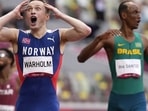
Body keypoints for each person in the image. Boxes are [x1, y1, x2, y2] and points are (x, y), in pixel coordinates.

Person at [0, 0, 91, 111]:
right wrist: (13, 14)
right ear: (25, 16)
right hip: (25, 104)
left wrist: (61, 15)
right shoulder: (17, 35)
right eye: (29, 9)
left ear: (47, 16)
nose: (33, 12)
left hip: (48, 103)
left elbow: (85, 30)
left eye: (37, 8)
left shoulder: (58, 35)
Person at [77, 1, 148, 111]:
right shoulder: (109, 39)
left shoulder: (144, 41)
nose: (139, 17)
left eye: (139, 13)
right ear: (124, 15)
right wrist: (98, 39)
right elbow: (81, 58)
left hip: (137, 100)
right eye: (135, 13)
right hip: (117, 100)